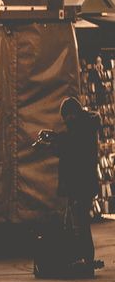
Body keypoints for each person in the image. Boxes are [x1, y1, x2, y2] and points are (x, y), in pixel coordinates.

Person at [47, 96, 100, 266]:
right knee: (76, 221)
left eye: (68, 115)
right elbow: (70, 148)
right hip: (79, 183)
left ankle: (83, 258)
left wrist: (55, 142)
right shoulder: (84, 127)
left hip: (80, 183)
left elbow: (73, 150)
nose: (67, 120)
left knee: (79, 222)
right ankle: (80, 257)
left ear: (74, 113)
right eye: (65, 117)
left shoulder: (82, 129)